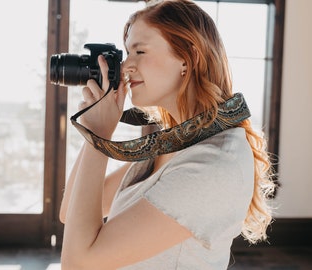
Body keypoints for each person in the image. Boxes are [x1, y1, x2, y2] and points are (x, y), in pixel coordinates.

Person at [59, 0, 276, 269]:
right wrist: (95, 132)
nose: (126, 66)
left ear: (188, 58)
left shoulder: (214, 162)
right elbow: (70, 210)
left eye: (140, 51)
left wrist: (97, 137)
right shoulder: (172, 143)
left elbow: (79, 263)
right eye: (127, 53)